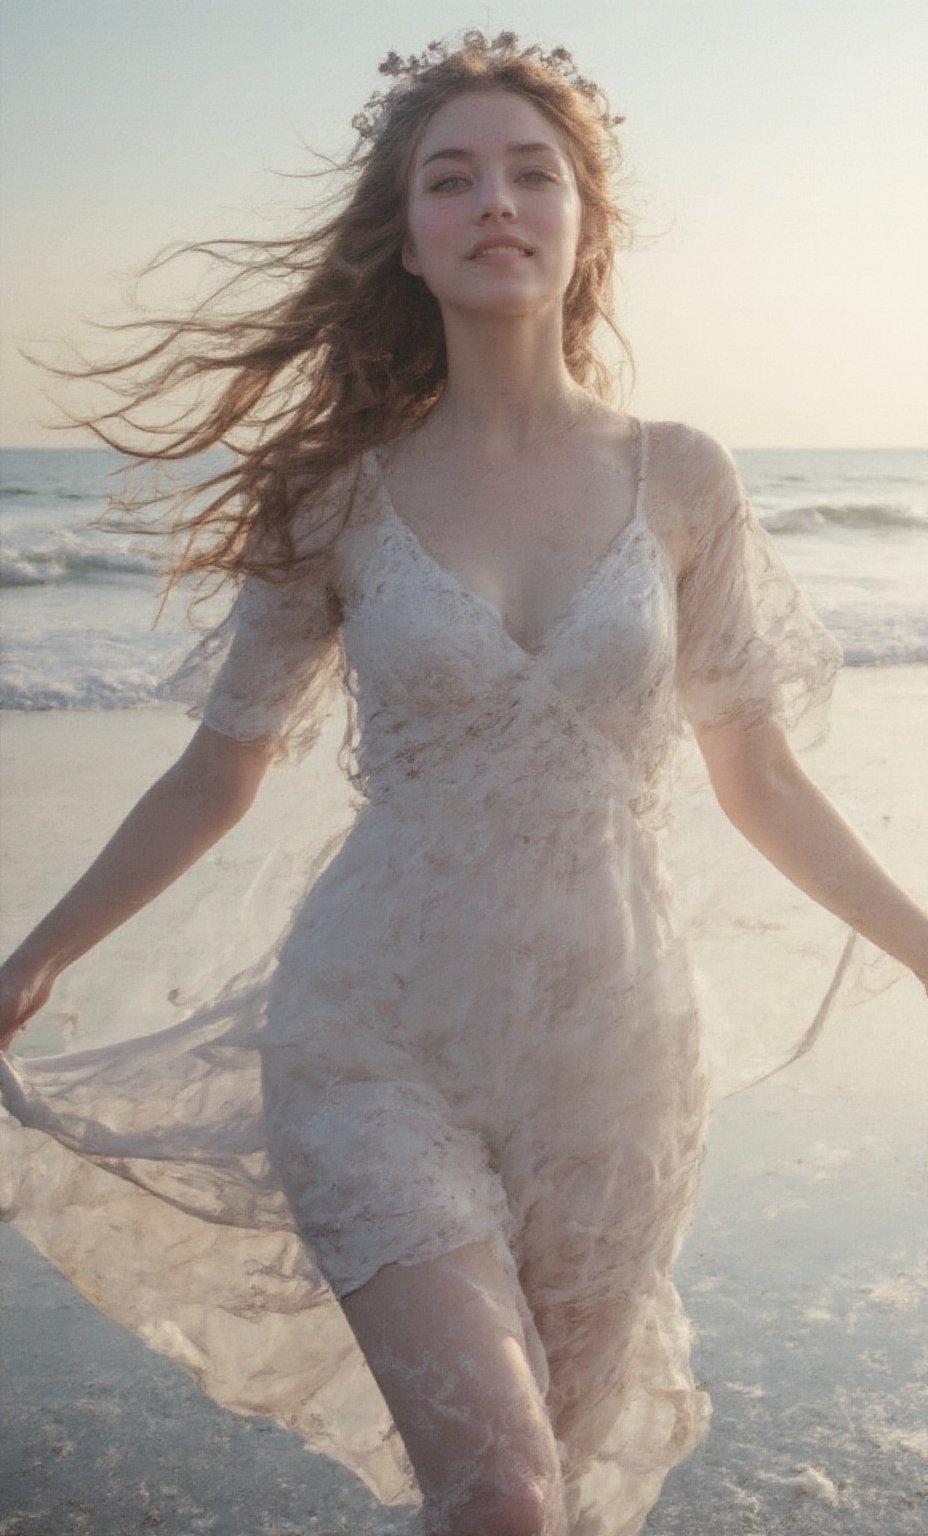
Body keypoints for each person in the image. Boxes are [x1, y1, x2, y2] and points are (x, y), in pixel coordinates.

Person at [1, 31, 926, 1536]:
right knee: (499, 1491)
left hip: (612, 1062)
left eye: (531, 172)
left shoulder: (682, 476)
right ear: (410, 242)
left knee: (539, 1497)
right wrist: (36, 952)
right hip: (372, 1040)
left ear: (582, 222)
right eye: (453, 179)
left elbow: (758, 776)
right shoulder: (334, 496)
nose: (496, 200)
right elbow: (215, 773)